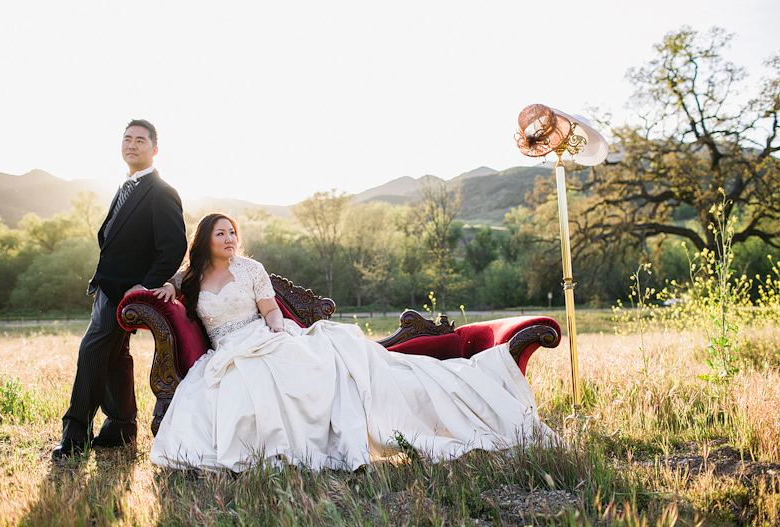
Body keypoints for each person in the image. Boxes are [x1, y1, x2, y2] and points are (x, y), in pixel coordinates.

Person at [149, 212, 556, 472]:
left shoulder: (251, 268)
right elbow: (175, 286)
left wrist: (276, 327)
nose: (230, 239)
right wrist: (167, 286)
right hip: (225, 351)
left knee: (313, 371)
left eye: (233, 232)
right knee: (230, 390)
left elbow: (270, 309)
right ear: (204, 239)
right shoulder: (192, 277)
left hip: (261, 336)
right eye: (221, 233)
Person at [53, 119, 187, 459]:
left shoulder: (162, 191)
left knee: (93, 352)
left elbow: (172, 247)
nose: (132, 145)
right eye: (127, 139)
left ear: (154, 149)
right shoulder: (126, 185)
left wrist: (145, 286)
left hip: (127, 293)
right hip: (106, 289)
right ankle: (120, 428)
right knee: (116, 358)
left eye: (140, 140)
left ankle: (74, 435)